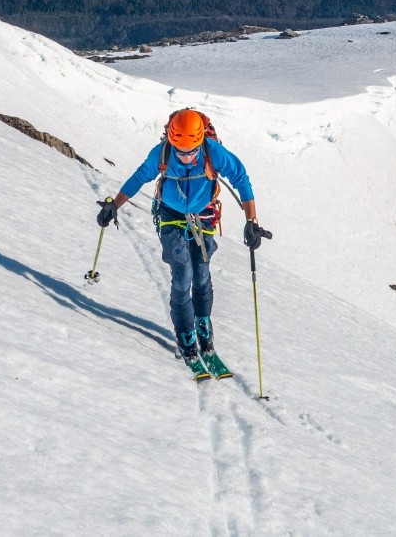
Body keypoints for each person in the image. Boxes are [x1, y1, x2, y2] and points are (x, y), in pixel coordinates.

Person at [95, 108, 268, 379]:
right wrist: (114, 206)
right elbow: (140, 177)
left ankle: (204, 330)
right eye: (180, 151)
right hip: (170, 216)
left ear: (200, 142)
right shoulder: (162, 153)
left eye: (191, 151)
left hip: (204, 216)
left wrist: (252, 221)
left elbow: (241, 179)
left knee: (201, 276)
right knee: (182, 275)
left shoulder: (212, 152)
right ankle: (186, 336)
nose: (186, 156)